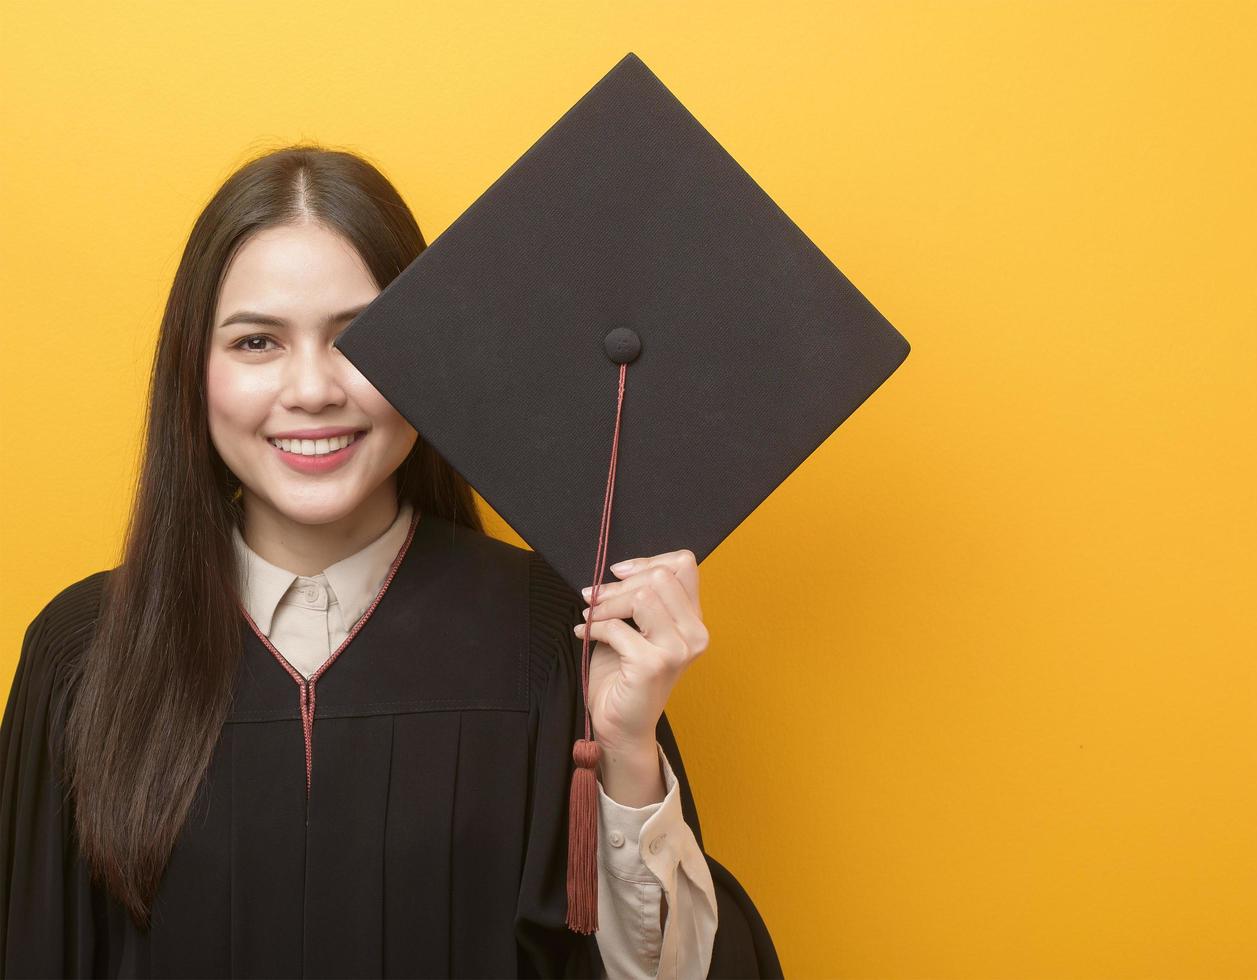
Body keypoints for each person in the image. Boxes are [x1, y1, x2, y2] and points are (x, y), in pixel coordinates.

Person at [0, 145, 719, 978]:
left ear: (428, 356)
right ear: (191, 370)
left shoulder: (551, 639)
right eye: (257, 341)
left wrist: (628, 755)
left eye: (359, 339)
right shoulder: (83, 657)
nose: (312, 389)